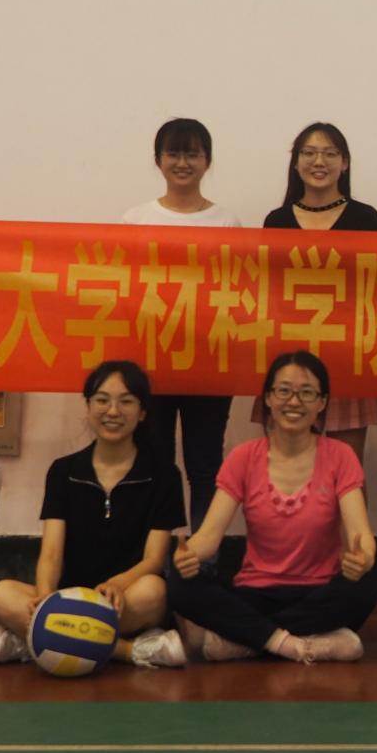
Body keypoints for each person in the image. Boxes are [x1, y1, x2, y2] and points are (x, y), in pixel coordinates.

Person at [169, 351, 377, 663]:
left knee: (365, 586)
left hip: (319, 591)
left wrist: (364, 558)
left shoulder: (340, 456)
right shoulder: (244, 457)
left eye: (306, 393)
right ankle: (297, 643)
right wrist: (188, 556)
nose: (294, 402)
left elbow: (362, 535)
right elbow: (208, 536)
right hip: (256, 592)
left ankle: (250, 639)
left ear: (322, 403)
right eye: (284, 391)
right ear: (267, 398)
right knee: (179, 584)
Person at [0, 361, 187, 669]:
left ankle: (37, 641)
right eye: (102, 400)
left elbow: (154, 560)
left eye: (126, 401)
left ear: (142, 412)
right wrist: (45, 597)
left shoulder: (164, 475)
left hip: (125, 596)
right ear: (88, 406)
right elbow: (51, 553)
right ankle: (129, 650)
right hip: (69, 596)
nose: (113, 411)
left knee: (154, 592)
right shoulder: (64, 471)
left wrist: (117, 584)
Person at [123, 116, 242, 529]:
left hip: (208, 361)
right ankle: (156, 550)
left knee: (205, 464)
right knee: (154, 460)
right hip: (150, 359)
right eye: (173, 153)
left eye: (192, 154)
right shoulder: (135, 219)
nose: (182, 163)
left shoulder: (227, 222)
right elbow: (124, 288)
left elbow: (234, 291)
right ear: (158, 159)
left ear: (207, 161)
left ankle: (202, 555)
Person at [254, 121, 377, 459]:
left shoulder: (365, 218)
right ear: (296, 162)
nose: (319, 161)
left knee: (348, 469)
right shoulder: (276, 221)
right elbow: (267, 291)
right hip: (289, 357)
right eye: (309, 153)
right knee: (289, 467)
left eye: (330, 153)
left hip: (349, 354)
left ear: (344, 163)